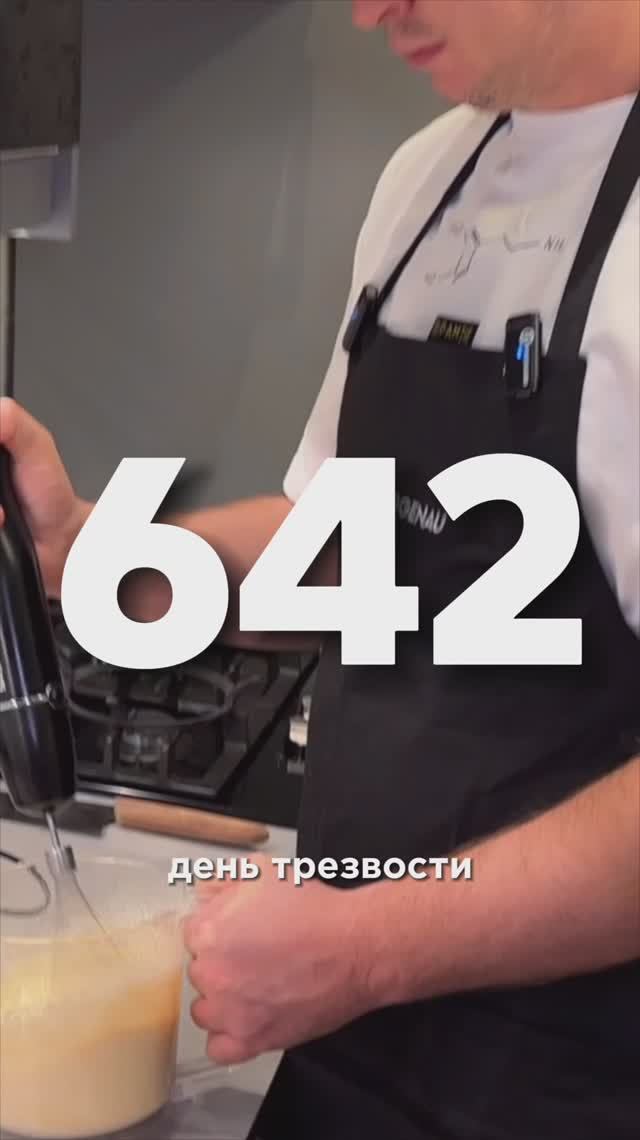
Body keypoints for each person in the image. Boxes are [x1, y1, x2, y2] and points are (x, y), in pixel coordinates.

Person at [1, 1, 639, 1136]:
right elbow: (364, 552)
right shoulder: (428, 176)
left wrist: (367, 947)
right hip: (348, 1049)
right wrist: (93, 557)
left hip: (569, 1085)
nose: (366, 9)